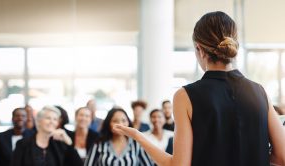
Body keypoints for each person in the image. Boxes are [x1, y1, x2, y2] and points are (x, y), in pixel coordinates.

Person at [113, 11, 285, 166]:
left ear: (200, 50)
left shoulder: (185, 96)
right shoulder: (260, 92)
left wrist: (139, 137)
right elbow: (281, 157)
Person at [11, 106, 82, 166]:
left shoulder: (60, 145)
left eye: (55, 119)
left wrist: (68, 143)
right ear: (39, 121)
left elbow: (78, 164)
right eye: (48, 118)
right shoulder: (23, 144)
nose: (52, 122)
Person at [85, 108, 153, 166]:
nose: (120, 124)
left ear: (128, 123)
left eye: (124, 120)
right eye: (115, 121)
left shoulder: (136, 144)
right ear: (108, 123)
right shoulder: (99, 144)